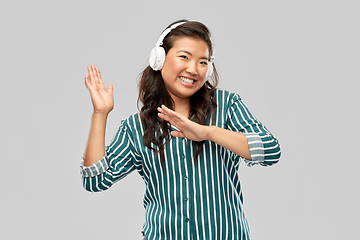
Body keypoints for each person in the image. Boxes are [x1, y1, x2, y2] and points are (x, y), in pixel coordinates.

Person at [80, 20, 281, 240]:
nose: (193, 69)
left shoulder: (226, 106)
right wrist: (100, 114)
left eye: (203, 62)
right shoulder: (135, 127)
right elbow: (95, 181)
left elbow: (270, 150)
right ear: (159, 59)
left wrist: (208, 132)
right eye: (184, 57)